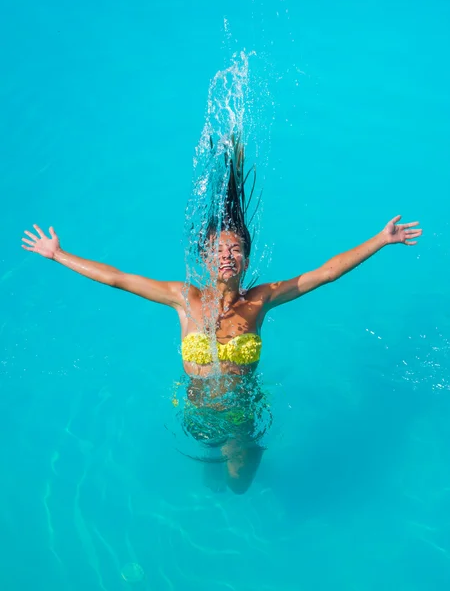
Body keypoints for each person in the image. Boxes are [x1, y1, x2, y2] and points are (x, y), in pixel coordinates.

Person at [21, 140, 422, 494]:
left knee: (239, 484)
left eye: (235, 250)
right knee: (208, 469)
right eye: (219, 250)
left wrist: (381, 240)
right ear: (205, 258)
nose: (227, 256)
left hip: (243, 414)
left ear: (247, 258)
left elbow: (325, 273)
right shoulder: (184, 298)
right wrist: (58, 255)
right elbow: (119, 279)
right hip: (193, 410)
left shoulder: (260, 300)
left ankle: (248, 464)